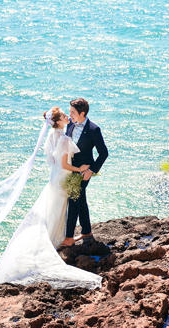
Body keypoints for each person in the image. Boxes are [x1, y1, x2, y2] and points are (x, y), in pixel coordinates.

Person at [0, 107, 102, 289]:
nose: (68, 117)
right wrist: (80, 169)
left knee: (58, 206)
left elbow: (54, 160)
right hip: (65, 175)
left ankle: (65, 236)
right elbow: (65, 163)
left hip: (55, 177)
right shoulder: (64, 138)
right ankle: (60, 239)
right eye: (65, 115)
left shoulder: (52, 136)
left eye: (70, 114)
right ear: (58, 121)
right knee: (64, 206)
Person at [59, 98, 109, 247]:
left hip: (84, 172)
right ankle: (86, 231)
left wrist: (92, 170)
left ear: (82, 113)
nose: (70, 115)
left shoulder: (94, 130)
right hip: (70, 170)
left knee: (73, 200)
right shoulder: (70, 125)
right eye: (69, 112)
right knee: (80, 199)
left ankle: (69, 237)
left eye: (73, 113)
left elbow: (104, 153)